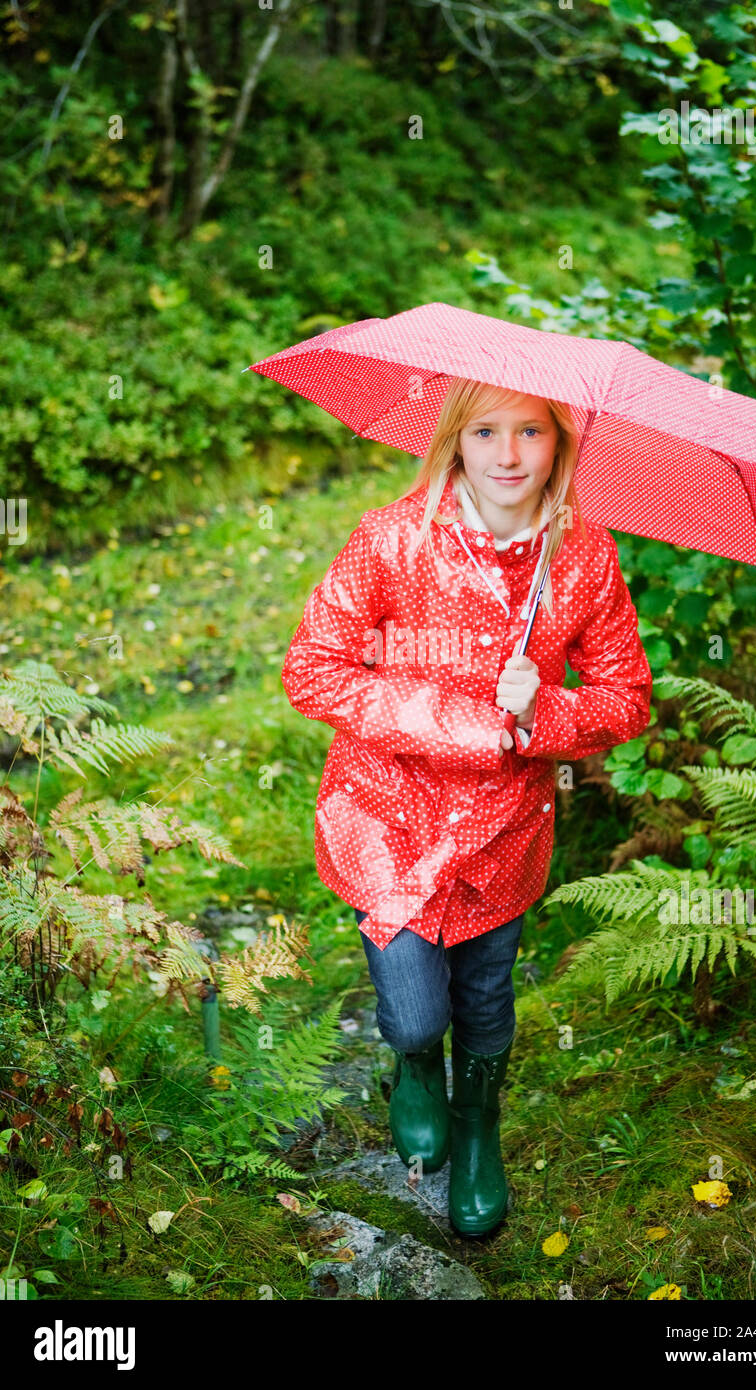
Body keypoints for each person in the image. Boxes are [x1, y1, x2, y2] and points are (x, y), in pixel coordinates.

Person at [280, 377, 652, 1238]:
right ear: (455, 440)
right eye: (486, 432)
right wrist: (467, 722)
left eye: (531, 432)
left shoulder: (583, 555)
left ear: (560, 443)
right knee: (416, 1006)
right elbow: (314, 670)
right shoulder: (391, 539)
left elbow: (626, 699)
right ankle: (413, 1063)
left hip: (503, 827)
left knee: (485, 995)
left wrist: (539, 714)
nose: (509, 455)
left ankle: (479, 1125)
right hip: (389, 813)